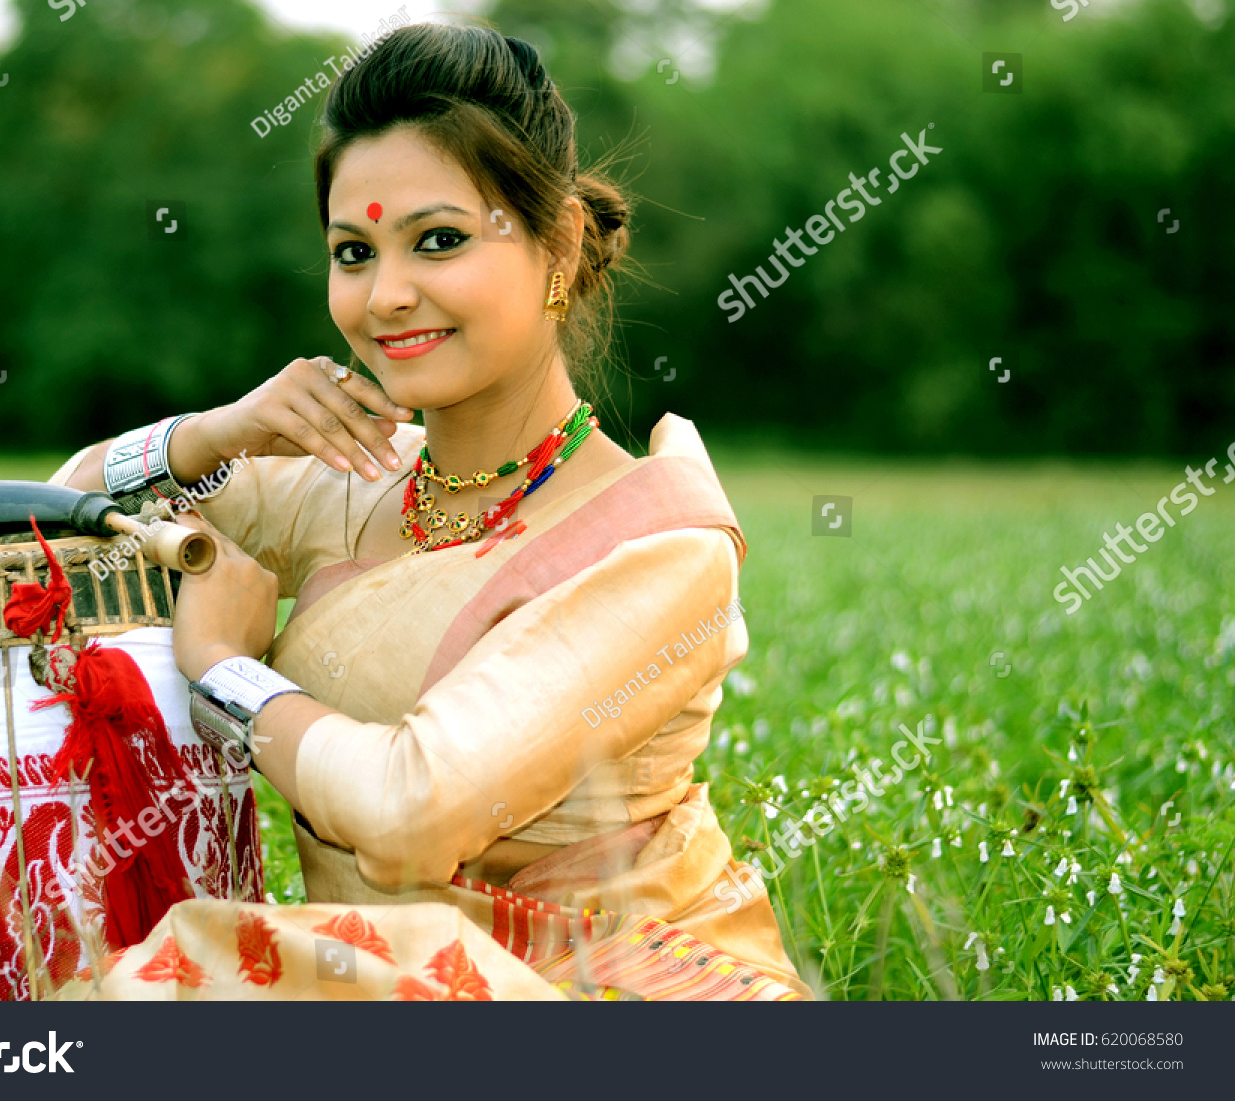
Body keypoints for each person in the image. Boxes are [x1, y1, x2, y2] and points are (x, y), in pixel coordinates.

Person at [51, 22, 809, 1001]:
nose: (387, 296)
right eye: (353, 251)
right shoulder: (349, 478)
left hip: (623, 993)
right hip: (392, 976)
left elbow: (414, 817)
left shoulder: (661, 547)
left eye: (439, 241)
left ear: (561, 247)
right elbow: (59, 524)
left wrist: (227, 673)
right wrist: (211, 434)